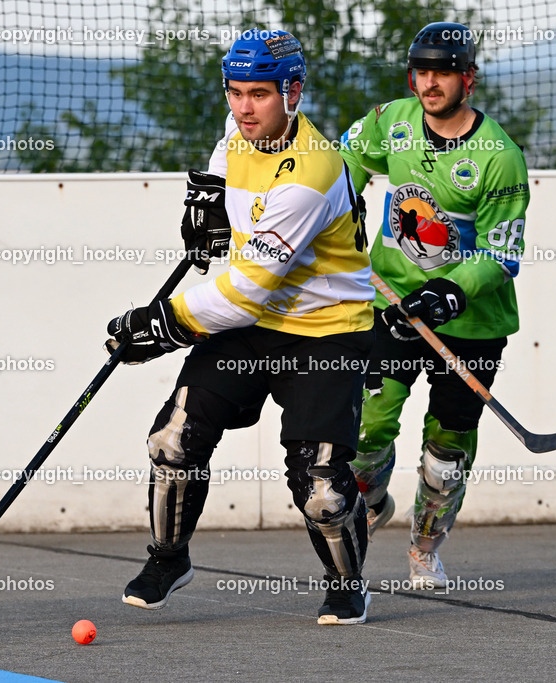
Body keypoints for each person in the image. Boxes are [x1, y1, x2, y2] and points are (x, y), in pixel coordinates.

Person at [105, 28, 376, 624]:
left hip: (325, 328)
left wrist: (164, 323)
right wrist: (209, 196)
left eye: (259, 94)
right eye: (234, 92)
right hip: (255, 322)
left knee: (322, 489)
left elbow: (249, 291)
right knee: (173, 442)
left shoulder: (311, 172)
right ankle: (168, 557)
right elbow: (226, 152)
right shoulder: (240, 132)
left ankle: (347, 584)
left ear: (293, 92)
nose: (244, 108)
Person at [338, 22, 531, 589]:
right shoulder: (391, 122)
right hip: (391, 303)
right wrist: (341, 212)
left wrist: (451, 289)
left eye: (444, 71)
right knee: (367, 426)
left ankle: (425, 549)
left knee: (445, 455)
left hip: (470, 321)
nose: (430, 82)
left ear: (467, 79)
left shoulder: (499, 157)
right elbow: (345, 160)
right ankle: (371, 500)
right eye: (422, 71)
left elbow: (503, 251)